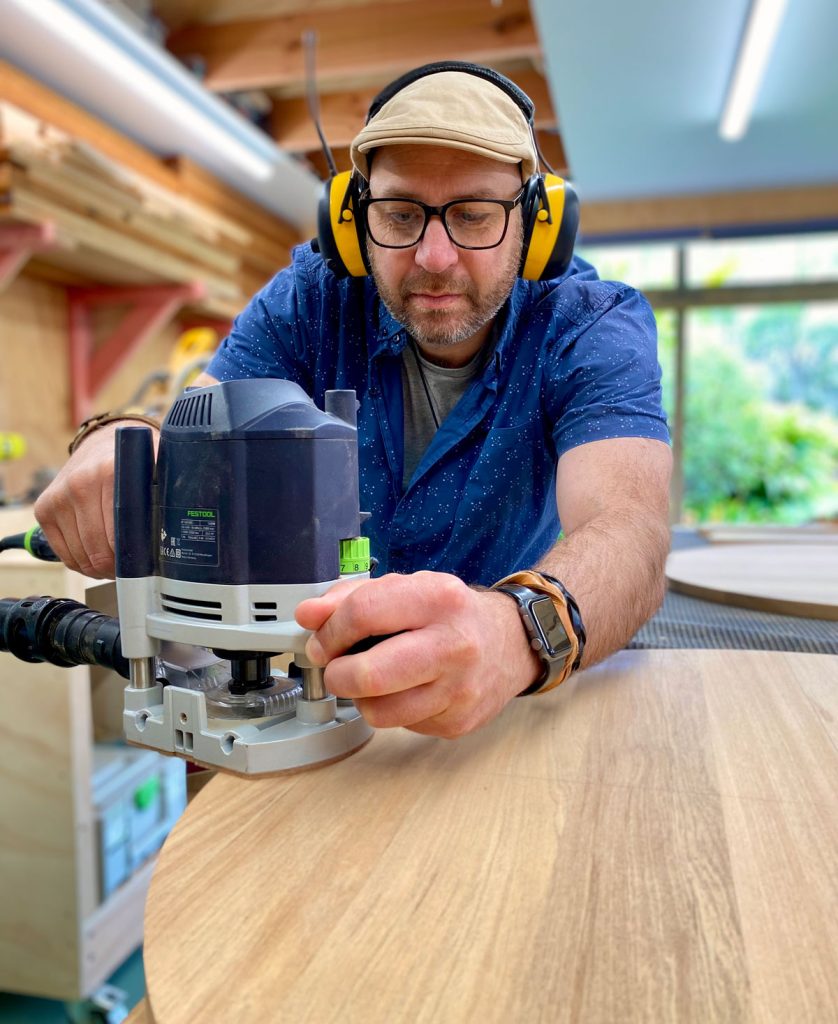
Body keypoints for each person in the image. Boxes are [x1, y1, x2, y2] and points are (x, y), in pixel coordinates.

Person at [35, 62, 671, 739]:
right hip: (317, 695)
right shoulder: (310, 300)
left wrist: (518, 631)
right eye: (399, 214)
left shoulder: (591, 325)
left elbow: (631, 530)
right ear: (351, 222)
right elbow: (199, 444)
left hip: (514, 696)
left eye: (474, 215)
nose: (433, 255)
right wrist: (120, 437)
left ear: (538, 225)